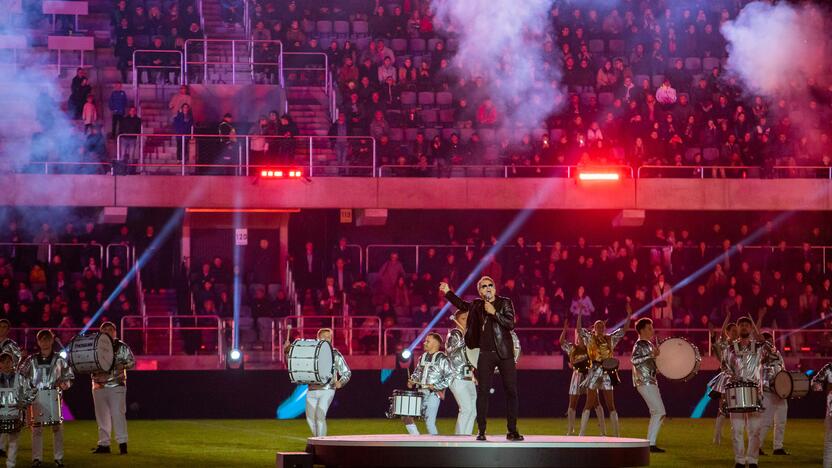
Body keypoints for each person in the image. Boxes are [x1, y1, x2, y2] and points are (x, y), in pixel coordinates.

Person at [440, 278, 523, 441]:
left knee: (511, 391)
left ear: (494, 287)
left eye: (490, 285)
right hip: (485, 354)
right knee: (483, 392)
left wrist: (494, 312)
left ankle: (512, 430)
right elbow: (461, 305)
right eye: (483, 286)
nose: (488, 288)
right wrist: (448, 292)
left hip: (505, 354)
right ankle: (481, 431)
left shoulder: (505, 302)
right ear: (480, 291)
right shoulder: (477, 305)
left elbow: (510, 323)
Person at [19, 330, 74, 467]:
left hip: (54, 396)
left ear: (51, 341)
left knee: (57, 428)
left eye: (47, 339)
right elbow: (21, 375)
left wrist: (62, 384)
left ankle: (58, 458)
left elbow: (70, 376)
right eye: (42, 340)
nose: (44, 342)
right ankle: (36, 458)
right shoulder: (31, 360)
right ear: (38, 342)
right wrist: (28, 390)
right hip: (36, 397)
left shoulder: (59, 360)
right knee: (36, 429)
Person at [284, 328, 351, 437]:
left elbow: (346, 372)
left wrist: (340, 382)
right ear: (318, 338)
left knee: (320, 415)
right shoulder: (310, 352)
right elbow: (293, 365)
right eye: (323, 337)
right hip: (312, 389)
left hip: (328, 389)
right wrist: (286, 352)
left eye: (329, 337)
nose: (326, 339)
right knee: (310, 417)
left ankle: (321, 442)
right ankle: (318, 440)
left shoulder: (335, 354)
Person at [723, 316, 769, 468]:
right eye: (741, 324)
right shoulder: (729, 348)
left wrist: (758, 329)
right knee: (736, 429)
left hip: (755, 392)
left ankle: (753, 460)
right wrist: (726, 391)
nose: (743, 327)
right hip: (735, 392)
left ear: (751, 328)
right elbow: (725, 369)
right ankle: (740, 461)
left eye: (747, 325)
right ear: (737, 327)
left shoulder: (759, 347)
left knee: (755, 430)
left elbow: (771, 351)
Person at [577, 310, 632, 437]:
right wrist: (580, 314)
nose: (600, 328)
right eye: (597, 326)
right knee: (589, 403)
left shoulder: (610, 338)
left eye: (602, 326)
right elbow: (579, 329)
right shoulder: (589, 338)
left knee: (611, 405)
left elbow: (624, 330)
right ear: (594, 328)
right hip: (594, 371)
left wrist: (629, 316)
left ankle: (616, 434)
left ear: (605, 328)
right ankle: (581, 433)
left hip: (607, 372)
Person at [91, 322, 136, 455]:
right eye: (105, 329)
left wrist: (120, 365)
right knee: (102, 417)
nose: (108, 331)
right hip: (98, 385)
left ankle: (122, 444)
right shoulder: (95, 347)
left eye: (111, 329)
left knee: (118, 414)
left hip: (116, 384)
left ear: (115, 332)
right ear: (100, 332)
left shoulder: (121, 346)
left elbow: (132, 362)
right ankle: (104, 444)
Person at [403, 332, 452, 435]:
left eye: (427, 341)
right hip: (420, 392)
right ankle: (417, 440)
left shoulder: (442, 358)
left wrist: (436, 386)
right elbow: (417, 372)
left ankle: (437, 447)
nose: (424, 343)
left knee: (429, 423)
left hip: (434, 394)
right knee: (406, 416)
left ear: (435, 343)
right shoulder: (422, 357)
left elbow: (449, 377)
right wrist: (412, 380)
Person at [560, 316, 601, 436]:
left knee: (596, 402)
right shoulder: (573, 348)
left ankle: (601, 428)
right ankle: (570, 429)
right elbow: (562, 342)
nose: (580, 338)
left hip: (589, 375)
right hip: (577, 376)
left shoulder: (590, 349)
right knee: (572, 404)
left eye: (582, 336)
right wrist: (564, 329)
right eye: (579, 336)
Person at [631, 318, 666, 453]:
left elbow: (647, 363)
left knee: (656, 412)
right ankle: (651, 443)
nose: (652, 330)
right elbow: (634, 359)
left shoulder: (647, 344)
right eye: (650, 328)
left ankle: (650, 442)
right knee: (660, 412)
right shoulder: (641, 344)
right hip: (645, 382)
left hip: (648, 381)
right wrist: (651, 354)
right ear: (642, 330)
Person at [756, 330, 789, 456]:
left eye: (771, 340)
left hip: (780, 392)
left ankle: (778, 447)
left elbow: (783, 369)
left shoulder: (778, 353)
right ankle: (757, 446)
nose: (770, 343)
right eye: (767, 340)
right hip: (768, 391)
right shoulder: (759, 353)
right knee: (765, 421)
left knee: (781, 421)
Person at [0, 351, 35, 468]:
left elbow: (31, 391)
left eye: (8, 362)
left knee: (13, 441)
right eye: (3, 362)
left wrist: (23, 403)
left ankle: (11, 464)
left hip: (15, 415)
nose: (6, 364)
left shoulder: (19, 378)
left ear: (12, 363)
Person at [445, 310, 476, 435]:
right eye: (463, 318)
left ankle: (466, 437)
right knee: (466, 408)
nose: (467, 320)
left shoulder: (470, 335)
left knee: (473, 411)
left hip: (468, 377)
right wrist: (465, 338)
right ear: (457, 320)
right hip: (456, 377)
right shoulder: (454, 333)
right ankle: (459, 439)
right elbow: (450, 350)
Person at [709, 317, 738, 444]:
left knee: (735, 408)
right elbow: (719, 336)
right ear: (728, 332)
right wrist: (727, 317)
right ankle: (716, 436)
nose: (736, 333)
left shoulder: (739, 345)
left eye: (736, 331)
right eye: (733, 331)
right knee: (723, 407)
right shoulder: (724, 344)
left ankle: (733, 435)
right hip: (726, 378)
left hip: (737, 379)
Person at [0, 319, 22, 458]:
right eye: (0, 326)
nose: (2, 329)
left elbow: (17, 360)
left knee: (4, 413)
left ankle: (2, 446)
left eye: (4, 327)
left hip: (5, 382)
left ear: (8, 330)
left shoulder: (12, 345)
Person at [811, 362, 832, 468]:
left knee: (829, 442)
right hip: (831, 409)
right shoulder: (829, 367)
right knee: (829, 442)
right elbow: (815, 382)